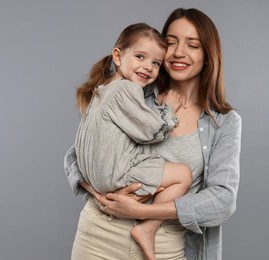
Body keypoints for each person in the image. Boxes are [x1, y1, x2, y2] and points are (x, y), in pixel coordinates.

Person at [64, 8, 242, 260]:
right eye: (171, 43)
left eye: (193, 45)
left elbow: (222, 201)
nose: (179, 52)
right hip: (100, 234)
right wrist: (103, 195)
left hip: (163, 247)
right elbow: (75, 157)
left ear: (208, 55)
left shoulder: (223, 122)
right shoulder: (136, 93)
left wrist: (143, 213)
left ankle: (146, 230)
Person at [73, 23, 193, 260]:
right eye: (140, 56)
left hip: (99, 181)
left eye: (156, 63)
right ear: (117, 56)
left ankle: (145, 220)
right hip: (117, 177)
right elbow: (151, 131)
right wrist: (169, 109)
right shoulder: (126, 90)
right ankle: (148, 226)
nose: (148, 67)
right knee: (183, 175)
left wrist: (93, 187)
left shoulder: (100, 91)